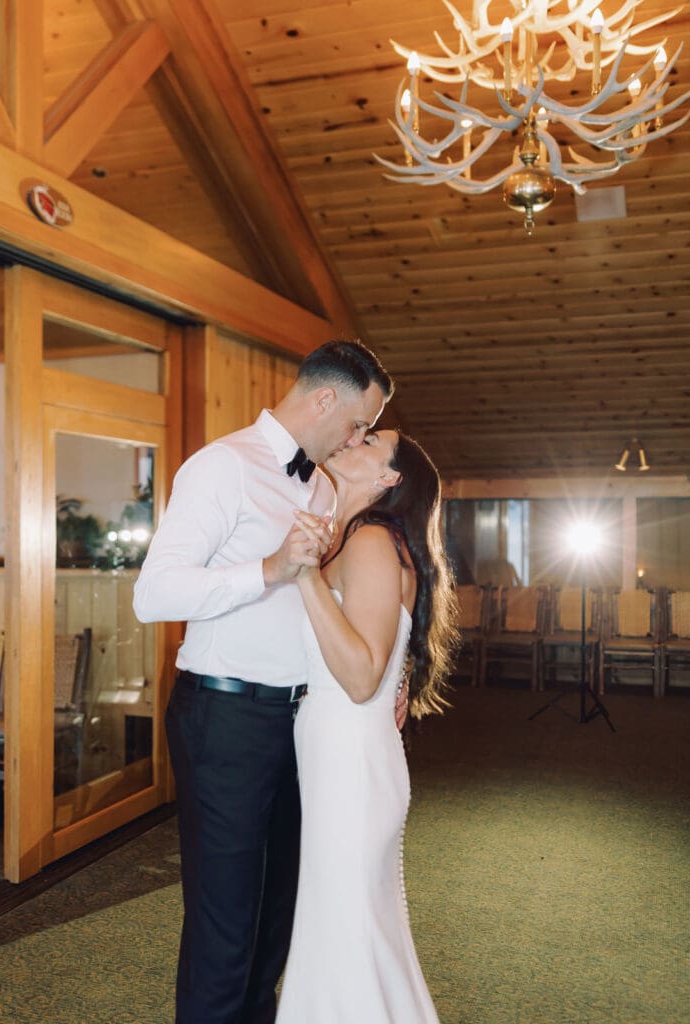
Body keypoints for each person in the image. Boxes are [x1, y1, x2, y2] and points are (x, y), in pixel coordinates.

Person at [132, 340, 394, 1024]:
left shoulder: (321, 483)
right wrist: (269, 569)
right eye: (359, 424)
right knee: (225, 929)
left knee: (276, 922)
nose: (358, 438)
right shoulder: (222, 467)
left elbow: (321, 613)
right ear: (326, 400)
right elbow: (153, 594)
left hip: (298, 723)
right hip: (225, 720)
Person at [275, 429, 458, 1023]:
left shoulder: (373, 542)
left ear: (388, 478)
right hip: (337, 749)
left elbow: (358, 677)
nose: (352, 438)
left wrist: (304, 577)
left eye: (370, 439)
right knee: (342, 925)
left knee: (347, 929)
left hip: (352, 757)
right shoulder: (349, 538)